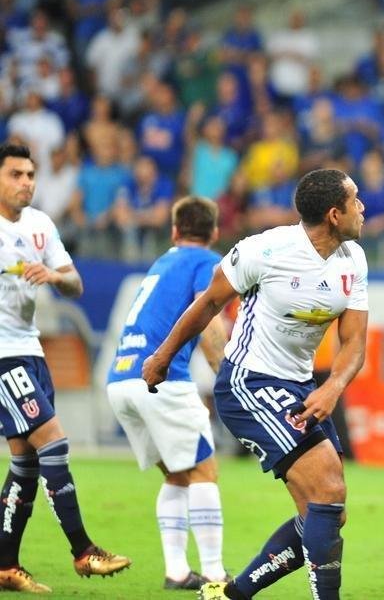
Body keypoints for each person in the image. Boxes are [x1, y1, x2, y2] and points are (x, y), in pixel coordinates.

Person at [143, 168, 369, 600]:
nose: (364, 207)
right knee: (329, 489)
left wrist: (333, 386)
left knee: (327, 514)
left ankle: (233, 594)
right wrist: (163, 356)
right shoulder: (264, 250)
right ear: (335, 214)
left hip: (303, 386)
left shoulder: (353, 260)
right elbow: (208, 302)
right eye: (355, 200)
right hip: (248, 383)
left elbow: (354, 342)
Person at [0, 142, 131, 593]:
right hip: (0, 354)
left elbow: (74, 282)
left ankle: (5, 565)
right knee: (53, 441)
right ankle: (83, 551)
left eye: (31, 175)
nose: (27, 183)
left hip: (30, 349)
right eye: (16, 174)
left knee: (27, 461)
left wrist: (53, 276)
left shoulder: (40, 225)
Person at [106, 196, 230, 590]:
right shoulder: (205, 261)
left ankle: (177, 571)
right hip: (160, 380)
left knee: (178, 475)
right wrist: (224, 375)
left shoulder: (161, 262)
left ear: (174, 231)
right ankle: (214, 573)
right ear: (213, 233)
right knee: (204, 471)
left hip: (121, 378)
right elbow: (207, 314)